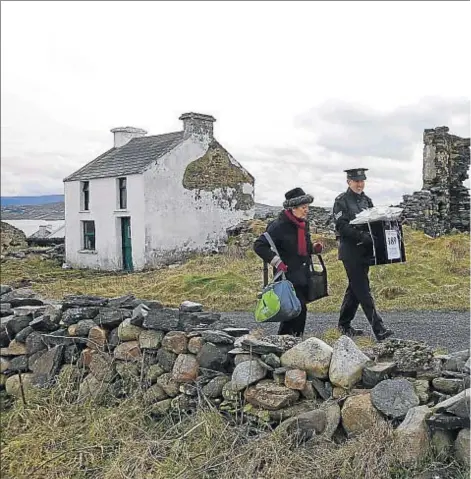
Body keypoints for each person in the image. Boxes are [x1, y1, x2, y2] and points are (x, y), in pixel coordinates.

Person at [333, 168, 393, 341]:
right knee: (363, 289)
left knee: (355, 289)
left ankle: (344, 325)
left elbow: (374, 221)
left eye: (361, 181)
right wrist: (361, 236)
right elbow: (341, 226)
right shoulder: (341, 201)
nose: (359, 184)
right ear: (348, 182)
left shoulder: (367, 200)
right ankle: (379, 328)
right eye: (356, 181)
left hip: (365, 252)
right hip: (350, 252)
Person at [253, 187, 323, 337]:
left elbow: (303, 248)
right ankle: (289, 341)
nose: (307, 211)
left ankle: (288, 342)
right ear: (293, 208)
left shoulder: (304, 225)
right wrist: (277, 262)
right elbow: (259, 245)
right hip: (287, 276)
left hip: (303, 275)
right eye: (304, 207)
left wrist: (314, 248)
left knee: (295, 310)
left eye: (307, 207)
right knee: (296, 310)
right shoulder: (278, 226)